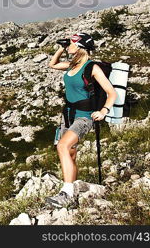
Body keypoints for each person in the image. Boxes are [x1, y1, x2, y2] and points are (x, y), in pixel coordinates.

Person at [44, 32, 117, 208]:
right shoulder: (72, 65)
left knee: (63, 146)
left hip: (85, 116)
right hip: (68, 114)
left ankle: (67, 193)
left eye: (71, 43)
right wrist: (62, 48)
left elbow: (111, 92)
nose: (69, 45)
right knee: (70, 153)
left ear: (81, 46)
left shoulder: (92, 67)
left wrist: (104, 111)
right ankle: (72, 194)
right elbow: (52, 64)